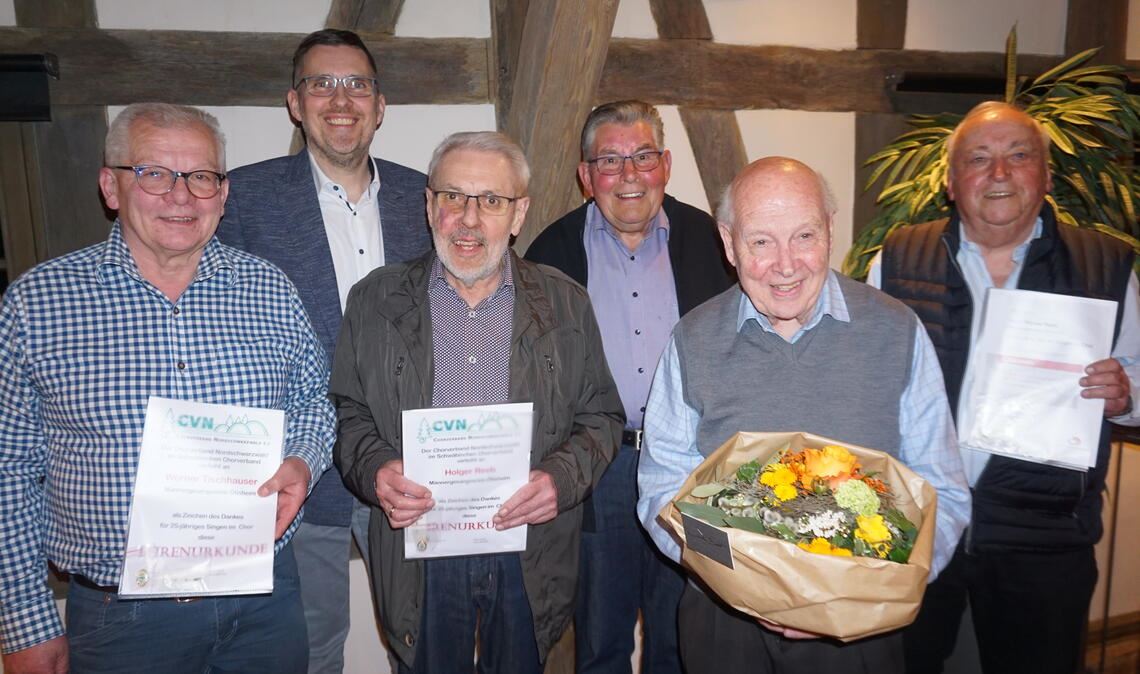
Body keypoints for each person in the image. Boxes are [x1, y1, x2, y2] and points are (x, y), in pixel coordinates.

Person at [0, 102, 335, 674]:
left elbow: (313, 404)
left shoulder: (270, 289)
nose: (182, 197)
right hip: (120, 619)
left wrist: (302, 460)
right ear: (112, 186)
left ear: (223, 194)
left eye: (202, 177)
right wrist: (25, 623)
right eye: (154, 173)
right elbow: (8, 471)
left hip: (264, 604)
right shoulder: (37, 305)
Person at [637, 157, 972, 674]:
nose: (786, 264)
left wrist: (859, 586)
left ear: (831, 231)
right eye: (761, 241)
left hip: (857, 631)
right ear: (729, 243)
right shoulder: (692, 339)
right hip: (724, 627)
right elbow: (662, 492)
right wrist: (747, 575)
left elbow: (944, 494)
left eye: (804, 236)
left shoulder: (896, 331)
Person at [330, 131, 624, 673]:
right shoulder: (375, 300)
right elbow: (348, 413)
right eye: (453, 197)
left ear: (518, 215)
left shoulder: (564, 301)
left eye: (491, 201)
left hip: (528, 546)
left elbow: (601, 417)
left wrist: (559, 478)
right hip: (420, 546)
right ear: (429, 205)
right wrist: (375, 469)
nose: (469, 219)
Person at [868, 101, 1140, 674]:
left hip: (1044, 544)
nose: (998, 174)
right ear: (950, 180)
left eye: (1019, 156)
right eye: (979, 159)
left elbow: (1137, 387)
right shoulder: (895, 260)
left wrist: (1127, 394)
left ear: (1045, 174)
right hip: (915, 533)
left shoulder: (1106, 266)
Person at [217, 29, 432, 673]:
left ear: (380, 104)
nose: (341, 100)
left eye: (357, 85)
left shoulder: (425, 197)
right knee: (309, 652)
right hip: (296, 467)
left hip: (407, 465)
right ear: (294, 102)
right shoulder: (241, 198)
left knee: (422, 643)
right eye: (321, 84)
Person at [525, 99, 732, 673]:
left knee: (680, 635)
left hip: (691, 466)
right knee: (600, 638)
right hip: (598, 468)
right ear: (586, 176)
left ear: (666, 164)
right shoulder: (551, 252)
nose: (630, 174)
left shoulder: (715, 245)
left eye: (643, 156)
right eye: (611, 161)